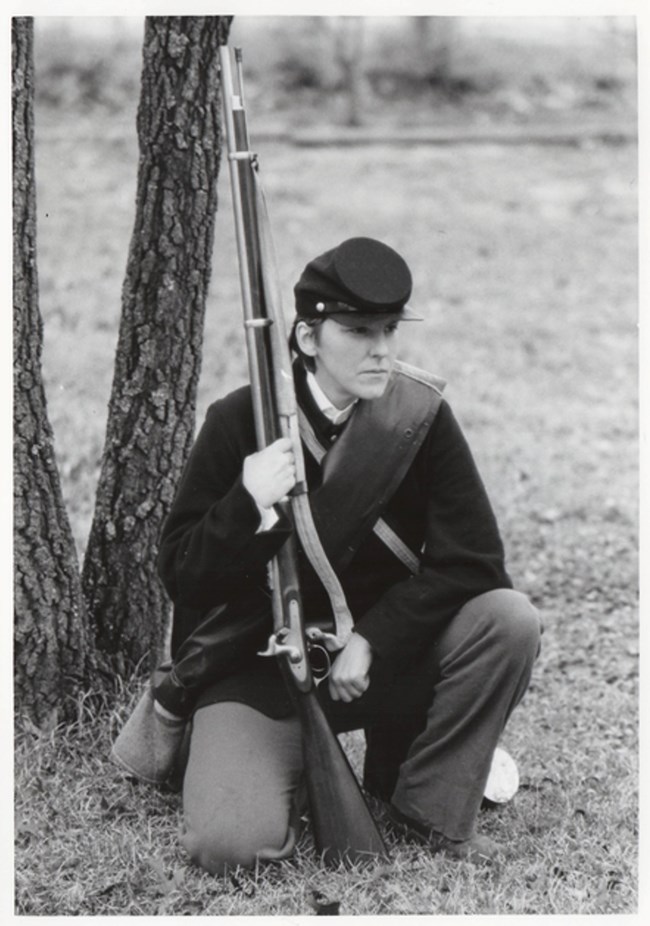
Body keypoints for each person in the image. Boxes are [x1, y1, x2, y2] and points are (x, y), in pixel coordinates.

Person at [157, 236, 542, 875]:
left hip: (380, 664)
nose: (383, 350)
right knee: (230, 847)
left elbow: (476, 562)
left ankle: (425, 804)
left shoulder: (419, 417)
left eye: (390, 329)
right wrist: (246, 504)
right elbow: (181, 572)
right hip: (260, 672)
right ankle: (290, 769)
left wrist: (371, 637)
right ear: (309, 339)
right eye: (360, 331)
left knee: (510, 620)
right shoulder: (237, 422)